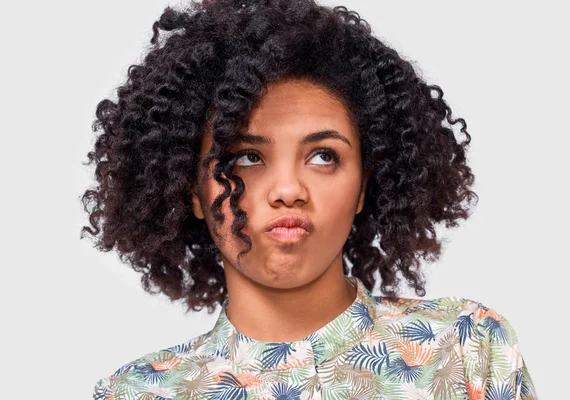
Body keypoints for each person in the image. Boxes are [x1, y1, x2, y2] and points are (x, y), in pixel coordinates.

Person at [83, 0, 538, 399]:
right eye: (244, 158)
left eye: (323, 156)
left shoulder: (467, 348)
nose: (287, 190)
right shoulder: (137, 393)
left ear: (363, 185)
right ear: (194, 192)